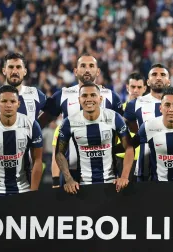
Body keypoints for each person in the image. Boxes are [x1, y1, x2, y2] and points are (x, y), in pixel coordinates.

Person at [40, 53, 123, 187]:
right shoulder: (63, 95)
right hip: (71, 173)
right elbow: (40, 123)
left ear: (98, 71)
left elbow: (124, 133)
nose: (87, 69)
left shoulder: (112, 97)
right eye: (83, 66)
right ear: (75, 71)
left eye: (91, 66)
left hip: (106, 172)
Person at [55, 82, 133, 194]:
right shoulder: (69, 122)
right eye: (84, 96)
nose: (89, 99)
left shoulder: (114, 117)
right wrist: (69, 179)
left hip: (112, 184)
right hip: (82, 187)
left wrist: (124, 177)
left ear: (100, 98)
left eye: (93, 95)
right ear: (79, 99)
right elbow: (59, 153)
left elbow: (129, 147)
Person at [0, 85, 44, 201]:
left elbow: (38, 160)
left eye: (12, 101)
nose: (8, 105)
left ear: (18, 104)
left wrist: (33, 194)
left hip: (23, 191)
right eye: (4, 101)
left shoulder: (31, 125)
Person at [124, 64, 173, 181]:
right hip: (145, 167)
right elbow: (133, 129)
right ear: (148, 82)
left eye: (163, 75)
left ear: (169, 81)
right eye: (154, 74)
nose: (159, 77)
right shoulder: (135, 104)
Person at [0, 53, 47, 136]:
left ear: (25, 71)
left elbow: (52, 112)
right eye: (11, 67)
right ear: (4, 71)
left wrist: (36, 129)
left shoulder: (36, 94)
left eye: (18, 67)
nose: (14, 71)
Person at [115, 73, 147, 182]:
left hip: (143, 157)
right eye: (133, 87)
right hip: (121, 157)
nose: (136, 90)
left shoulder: (151, 112)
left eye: (139, 87)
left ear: (145, 88)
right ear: (127, 87)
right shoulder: (118, 111)